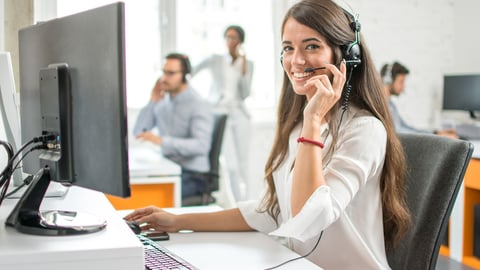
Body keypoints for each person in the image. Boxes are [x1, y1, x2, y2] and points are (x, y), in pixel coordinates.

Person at [126, 1, 411, 269]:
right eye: (288, 48)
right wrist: (178, 221)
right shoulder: (300, 126)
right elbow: (273, 211)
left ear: (348, 57)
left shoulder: (364, 130)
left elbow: (306, 217)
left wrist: (313, 120)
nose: (296, 61)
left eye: (311, 46)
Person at [133, 53, 214, 202]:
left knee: (148, 198)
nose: (164, 78)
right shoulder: (163, 102)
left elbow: (202, 146)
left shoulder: (198, 104)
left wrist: (162, 141)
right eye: (163, 72)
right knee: (134, 190)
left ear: (185, 75)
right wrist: (152, 101)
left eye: (170, 73)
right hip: (167, 169)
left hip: (193, 175)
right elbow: (139, 132)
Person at [192, 25, 254, 201]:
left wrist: (243, 71)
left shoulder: (247, 64)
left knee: (243, 163)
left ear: (240, 41)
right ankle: (237, 204)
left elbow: (245, 93)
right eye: (227, 37)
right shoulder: (215, 60)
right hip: (220, 113)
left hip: (239, 113)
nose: (230, 41)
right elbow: (191, 71)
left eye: (233, 38)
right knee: (231, 165)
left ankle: (247, 202)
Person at [380, 61, 458, 138]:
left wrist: (436, 132)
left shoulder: (391, 104)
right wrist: (437, 136)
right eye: (401, 82)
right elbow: (399, 132)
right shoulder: (382, 105)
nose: (403, 87)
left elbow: (407, 128)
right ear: (388, 80)